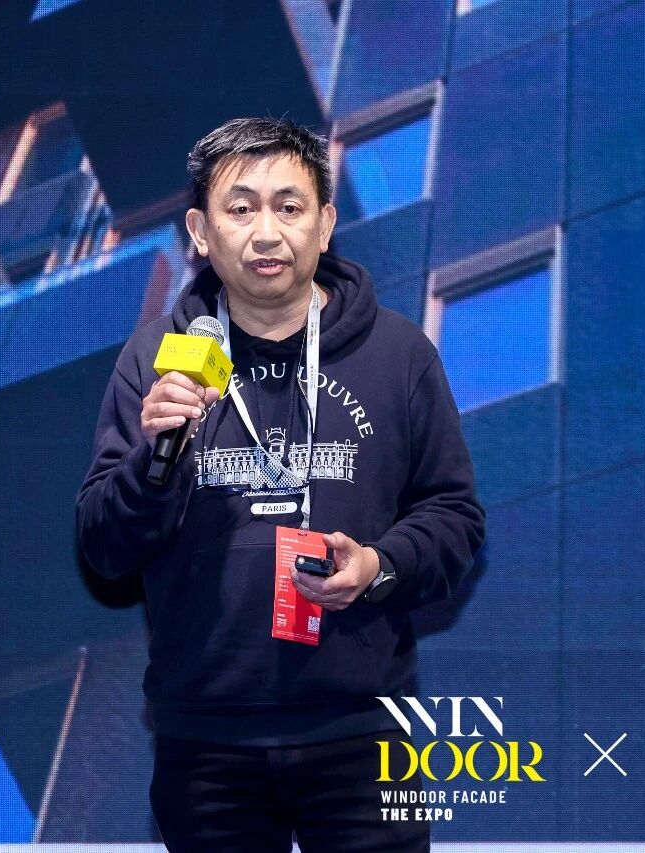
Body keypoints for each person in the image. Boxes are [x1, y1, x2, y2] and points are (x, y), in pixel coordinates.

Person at [75, 117, 486, 852]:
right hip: (206, 744)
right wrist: (156, 459)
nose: (266, 232)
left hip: (362, 732)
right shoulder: (155, 359)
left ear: (324, 225)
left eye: (289, 207)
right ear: (201, 232)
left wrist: (379, 565)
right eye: (240, 209)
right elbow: (104, 547)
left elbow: (455, 518)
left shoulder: (399, 354)